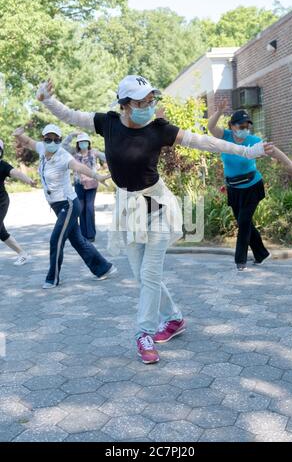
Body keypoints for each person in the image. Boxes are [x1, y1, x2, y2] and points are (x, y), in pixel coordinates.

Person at [36, 76, 271, 363]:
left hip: (158, 208)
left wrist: (248, 150)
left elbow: (205, 141)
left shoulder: (159, 129)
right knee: (140, 275)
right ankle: (174, 318)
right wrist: (47, 100)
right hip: (129, 211)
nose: (148, 106)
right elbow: (71, 116)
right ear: (124, 105)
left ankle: (143, 333)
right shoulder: (107, 123)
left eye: (151, 100)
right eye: (141, 102)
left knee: (149, 275)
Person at [13, 124, 116, 289]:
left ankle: (52, 279)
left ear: (60, 141)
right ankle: (104, 268)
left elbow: (79, 166)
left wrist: (97, 175)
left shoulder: (63, 156)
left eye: (56, 139)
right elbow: (28, 141)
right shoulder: (41, 149)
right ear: (43, 139)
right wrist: (18, 135)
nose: (52, 142)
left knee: (56, 239)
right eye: (48, 139)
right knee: (78, 240)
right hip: (56, 205)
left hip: (68, 204)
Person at [208, 102, 271, 271]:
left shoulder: (254, 140)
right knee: (245, 222)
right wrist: (219, 111)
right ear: (232, 126)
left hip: (252, 187)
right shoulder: (225, 136)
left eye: (247, 125)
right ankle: (262, 254)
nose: (245, 128)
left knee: (243, 222)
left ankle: (240, 260)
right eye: (241, 126)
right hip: (234, 188)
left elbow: (270, 151)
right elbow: (210, 127)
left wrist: (287, 162)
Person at [62, 131, 106, 242]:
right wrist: (72, 134)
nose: (83, 144)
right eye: (80, 142)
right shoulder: (73, 153)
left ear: (88, 142)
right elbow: (63, 146)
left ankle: (91, 235)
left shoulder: (93, 152)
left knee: (90, 208)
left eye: (85, 142)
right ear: (78, 143)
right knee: (80, 209)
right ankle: (83, 235)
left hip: (92, 184)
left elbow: (106, 157)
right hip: (79, 184)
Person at [0, 138, 34, 265]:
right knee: (2, 233)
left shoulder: (3, 165)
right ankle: (23, 254)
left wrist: (29, 181)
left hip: (1, 202)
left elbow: (17, 173)